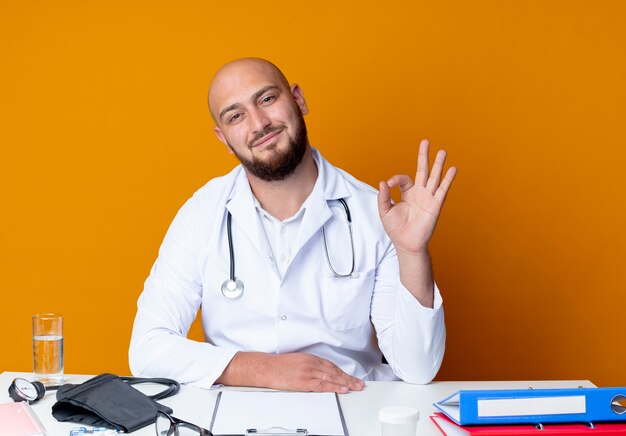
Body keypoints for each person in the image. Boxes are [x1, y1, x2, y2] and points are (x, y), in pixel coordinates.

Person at [129, 58, 457, 393]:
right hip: (235, 412)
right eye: (236, 116)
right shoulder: (201, 214)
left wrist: (412, 252)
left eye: (267, 99)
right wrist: (263, 370)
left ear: (298, 99)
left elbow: (418, 369)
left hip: (350, 407)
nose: (259, 123)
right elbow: (147, 348)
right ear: (224, 139)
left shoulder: (376, 213)